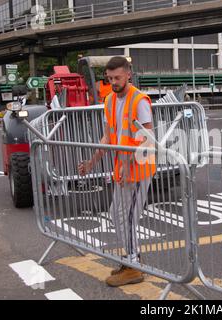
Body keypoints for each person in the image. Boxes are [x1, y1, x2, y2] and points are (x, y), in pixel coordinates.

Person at [78, 56, 156, 287]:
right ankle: (132, 258)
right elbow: (107, 136)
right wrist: (92, 162)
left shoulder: (139, 100)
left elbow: (148, 139)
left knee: (128, 216)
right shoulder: (110, 100)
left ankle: (133, 265)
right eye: (110, 78)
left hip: (140, 169)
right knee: (116, 214)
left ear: (128, 75)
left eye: (117, 78)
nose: (113, 82)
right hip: (122, 169)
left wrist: (126, 163)